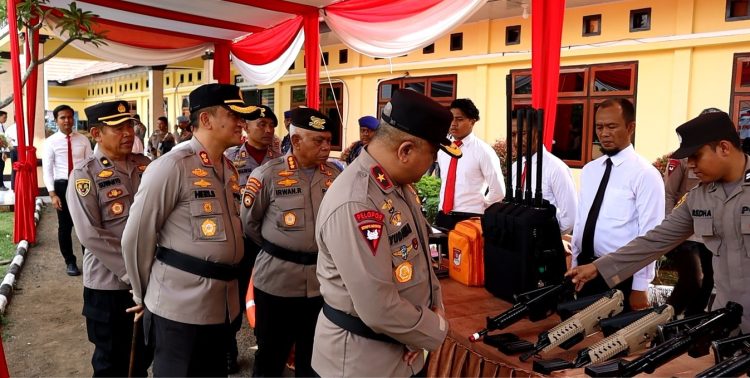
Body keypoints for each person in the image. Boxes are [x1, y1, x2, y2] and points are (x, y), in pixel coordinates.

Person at [568, 110, 750, 332]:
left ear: (723, 148)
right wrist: (598, 267)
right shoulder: (699, 197)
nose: (690, 164)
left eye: (695, 156)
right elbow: (655, 240)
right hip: (726, 320)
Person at [313, 89, 454, 377]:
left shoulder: (396, 185)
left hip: (403, 350)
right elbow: (378, 307)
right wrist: (433, 329)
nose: (431, 166)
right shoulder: (357, 201)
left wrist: (422, 327)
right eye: (433, 155)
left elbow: (420, 262)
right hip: (362, 362)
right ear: (405, 151)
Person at [122, 83, 259, 376]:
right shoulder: (172, 166)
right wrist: (143, 293)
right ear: (206, 119)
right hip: (179, 307)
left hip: (221, 304)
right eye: (233, 114)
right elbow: (136, 237)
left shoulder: (227, 167)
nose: (241, 122)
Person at [241, 107, 341, 377]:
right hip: (277, 283)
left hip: (321, 282)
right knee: (271, 357)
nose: (326, 147)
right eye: (318, 140)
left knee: (314, 358)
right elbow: (250, 225)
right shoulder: (268, 175)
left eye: (328, 141)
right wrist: (286, 247)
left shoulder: (336, 176)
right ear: (296, 141)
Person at [66, 100, 153, 376]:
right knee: (110, 363)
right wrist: (134, 274)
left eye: (130, 125)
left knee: (142, 358)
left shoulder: (145, 166)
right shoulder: (84, 175)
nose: (128, 132)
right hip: (110, 287)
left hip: (151, 281)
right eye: (118, 127)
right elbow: (90, 234)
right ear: (97, 134)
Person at [570, 98, 664, 311]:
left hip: (621, 275)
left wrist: (640, 286)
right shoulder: (590, 170)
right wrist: (575, 264)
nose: (604, 133)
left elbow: (651, 236)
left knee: (614, 341)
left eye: (612, 126)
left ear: (630, 128)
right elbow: (581, 221)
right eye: (599, 127)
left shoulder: (645, 174)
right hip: (586, 270)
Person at [223, 104, 282, 372]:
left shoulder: (282, 157)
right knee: (234, 294)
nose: (268, 130)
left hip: (273, 239)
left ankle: (266, 346)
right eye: (262, 124)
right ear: (246, 127)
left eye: (272, 125)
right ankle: (228, 348)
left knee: (269, 297)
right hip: (241, 238)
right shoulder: (229, 157)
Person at [436, 98, 505, 230]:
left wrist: (480, 206)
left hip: (470, 218)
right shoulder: (444, 149)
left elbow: (498, 191)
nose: (453, 124)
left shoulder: (483, 151)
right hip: (443, 216)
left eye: (459, 119)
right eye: (451, 119)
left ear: (472, 121)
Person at [42, 104, 93, 276]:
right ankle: (70, 261)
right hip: (62, 185)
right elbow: (48, 169)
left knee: (86, 223)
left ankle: (90, 261)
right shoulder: (50, 142)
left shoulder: (83, 139)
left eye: (70, 117)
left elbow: (90, 163)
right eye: (62, 117)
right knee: (65, 226)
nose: (67, 120)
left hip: (82, 184)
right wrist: (52, 194)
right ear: (56, 120)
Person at [509, 111, 578, 234]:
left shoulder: (556, 168)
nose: (517, 141)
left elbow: (570, 219)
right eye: (513, 135)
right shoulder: (516, 167)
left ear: (537, 132)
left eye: (523, 133)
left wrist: (546, 237)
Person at [663, 154, 714, 316]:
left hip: (709, 233)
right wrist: (671, 228)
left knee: (709, 282)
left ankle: (691, 325)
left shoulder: (716, 159)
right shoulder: (681, 159)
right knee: (692, 280)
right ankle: (663, 323)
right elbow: (668, 194)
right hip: (684, 234)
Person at [0, 110, 9, 191]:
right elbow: (2, 140)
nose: (5, 119)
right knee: (0, 168)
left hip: (1, 150)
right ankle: (1, 185)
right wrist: (3, 152)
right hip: (0, 151)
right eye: (4, 117)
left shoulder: (2, 126)